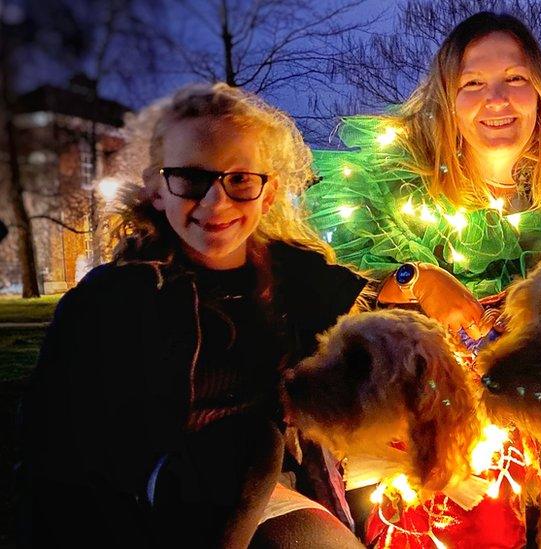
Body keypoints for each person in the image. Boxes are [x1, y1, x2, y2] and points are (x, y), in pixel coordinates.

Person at [304, 11, 541, 547]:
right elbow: (353, 300)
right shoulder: (397, 180)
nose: (497, 99)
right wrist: (419, 279)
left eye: (516, 80)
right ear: (447, 99)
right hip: (437, 399)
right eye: (473, 84)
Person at [17, 83, 367, 548]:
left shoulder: (298, 283)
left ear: (268, 193)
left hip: (265, 492)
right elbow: (51, 447)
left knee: (260, 455)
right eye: (190, 178)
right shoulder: (110, 299)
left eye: (239, 179)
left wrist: (416, 276)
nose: (215, 202)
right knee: (249, 446)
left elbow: (381, 317)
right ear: (157, 190)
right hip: (140, 497)